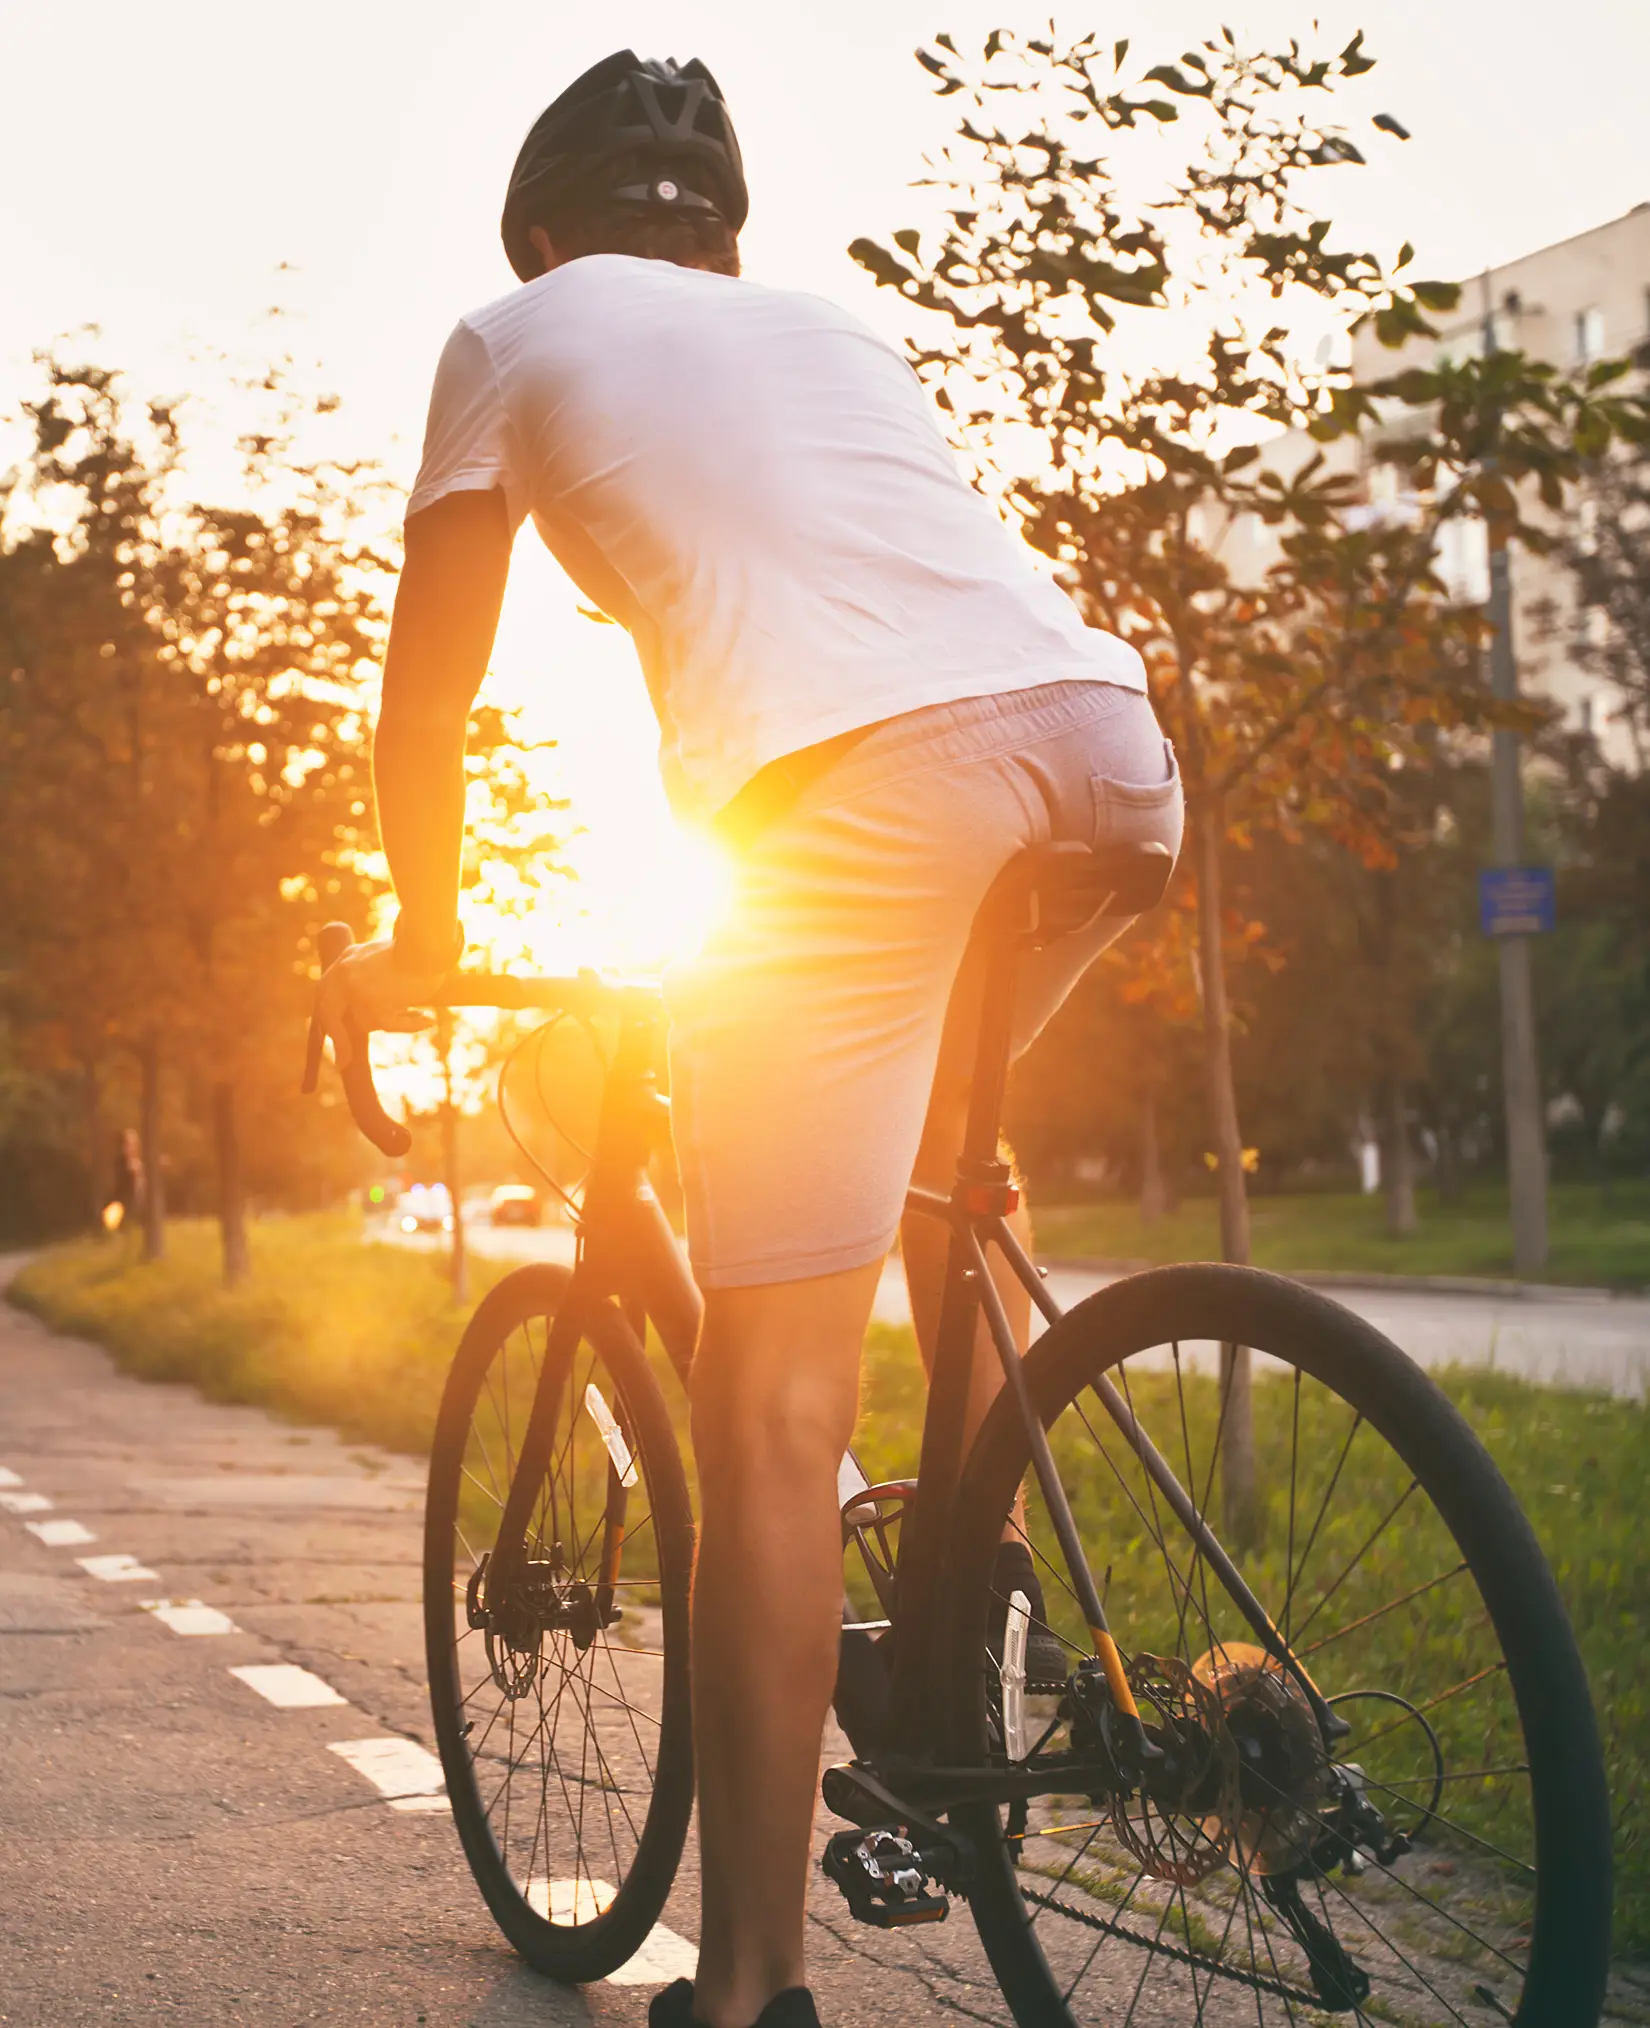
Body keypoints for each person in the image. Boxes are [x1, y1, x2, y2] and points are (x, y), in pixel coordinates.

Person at [316, 50, 1182, 2028]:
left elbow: (428, 701)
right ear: (719, 239)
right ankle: (960, 1651)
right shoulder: (825, 328)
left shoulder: (505, 334)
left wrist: (420, 945)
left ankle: (755, 1988)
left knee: (772, 1417)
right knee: (949, 1195)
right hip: (1105, 753)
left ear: (542, 233)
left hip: (863, 797)